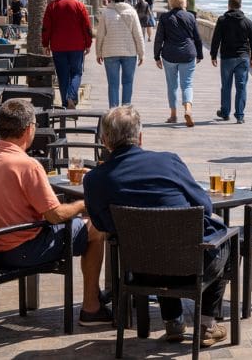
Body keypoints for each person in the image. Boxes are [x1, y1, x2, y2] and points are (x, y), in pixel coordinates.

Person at [83, 106, 230, 345]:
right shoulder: (168, 161)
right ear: (140, 137)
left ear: (105, 141)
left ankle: (173, 322)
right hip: (191, 266)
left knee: (154, 241)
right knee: (227, 240)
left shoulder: (94, 180)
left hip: (140, 271)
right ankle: (206, 324)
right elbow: (205, 207)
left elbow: (101, 224)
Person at [0, 99, 110, 326]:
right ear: (28, 129)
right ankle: (91, 308)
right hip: (19, 251)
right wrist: (85, 204)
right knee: (95, 227)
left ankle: (95, 298)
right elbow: (54, 215)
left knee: (75, 223)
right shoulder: (27, 165)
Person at [154, 0, 203, 127]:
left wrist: (156, 56)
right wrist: (200, 54)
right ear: (183, 2)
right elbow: (197, 38)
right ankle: (188, 109)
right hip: (188, 54)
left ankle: (173, 115)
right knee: (187, 84)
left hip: (169, 55)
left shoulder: (164, 18)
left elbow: (159, 38)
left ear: (170, 2)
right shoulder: (191, 17)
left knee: (172, 86)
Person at [43, 0, 92, 109]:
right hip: (77, 46)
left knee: (62, 74)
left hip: (58, 47)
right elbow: (86, 26)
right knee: (76, 73)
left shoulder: (52, 6)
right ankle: (71, 97)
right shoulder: (79, 5)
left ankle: (65, 103)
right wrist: (88, 44)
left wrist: (45, 44)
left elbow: (46, 27)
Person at [210, 0, 252, 125]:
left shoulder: (222, 20)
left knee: (226, 86)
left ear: (229, 5)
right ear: (240, 5)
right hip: (243, 58)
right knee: (241, 86)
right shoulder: (247, 21)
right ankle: (240, 115)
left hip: (227, 58)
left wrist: (213, 55)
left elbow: (216, 39)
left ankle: (225, 112)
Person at [95, 0, 145, 108]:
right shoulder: (132, 12)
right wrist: (141, 53)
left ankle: (113, 113)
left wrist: (98, 52)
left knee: (113, 84)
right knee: (128, 83)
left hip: (110, 53)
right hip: (129, 53)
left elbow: (100, 35)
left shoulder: (106, 13)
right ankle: (126, 112)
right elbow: (138, 35)